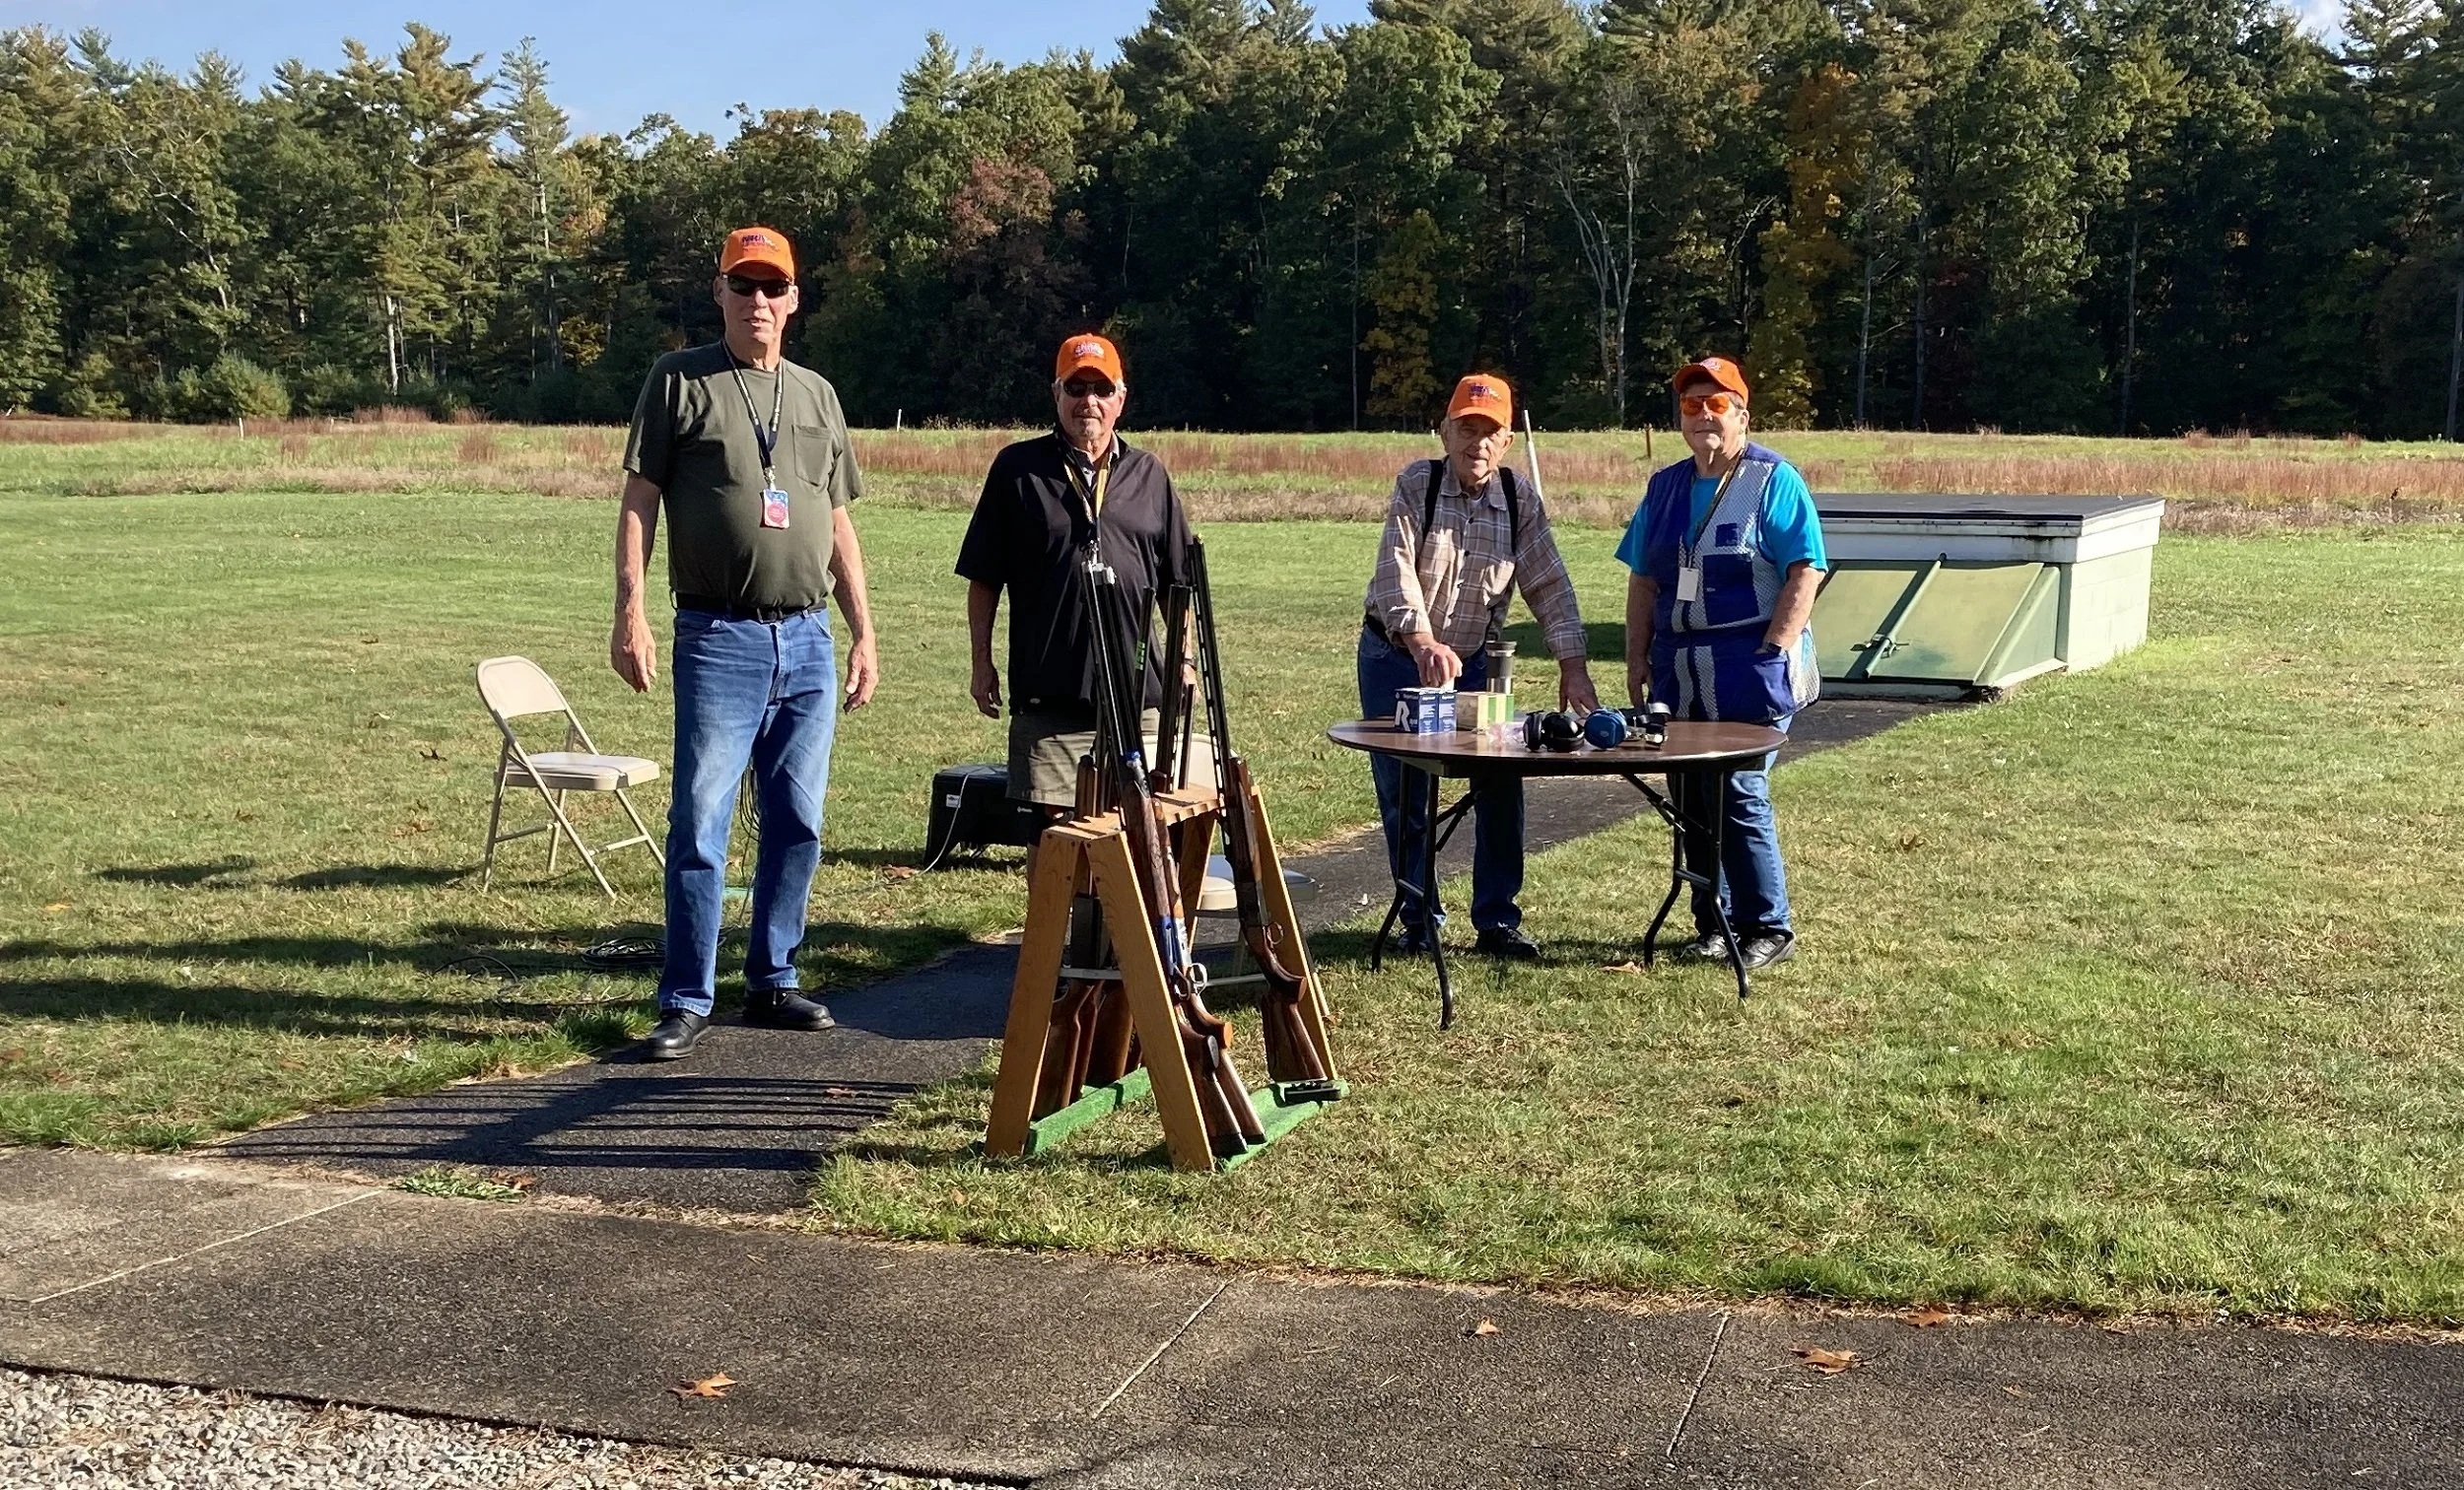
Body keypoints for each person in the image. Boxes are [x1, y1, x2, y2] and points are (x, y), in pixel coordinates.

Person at [610, 225, 881, 1061]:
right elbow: (638, 499)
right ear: (719, 294)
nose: (757, 301)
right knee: (700, 819)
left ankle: (774, 979)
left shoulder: (817, 395)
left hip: (805, 639)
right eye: (743, 286)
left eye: (773, 287)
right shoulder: (678, 381)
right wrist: (630, 611)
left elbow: (836, 520)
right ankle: (688, 997)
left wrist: (863, 630)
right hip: (716, 636)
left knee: (798, 820)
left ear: (794, 299)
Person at [1359, 372, 1597, 960]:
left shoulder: (1520, 501)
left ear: (1508, 440)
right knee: (1408, 788)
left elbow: (1550, 585)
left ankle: (1497, 919)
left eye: (1491, 431)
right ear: (1445, 430)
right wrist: (1420, 641)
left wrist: (1573, 665)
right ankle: (1420, 919)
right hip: (1395, 657)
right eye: (1468, 427)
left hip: (1472, 666)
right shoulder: (1420, 482)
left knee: (1502, 779)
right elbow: (1396, 568)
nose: (1478, 442)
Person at [1616, 356, 1825, 972]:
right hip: (1678, 662)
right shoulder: (1665, 487)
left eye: (1716, 404)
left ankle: (1767, 926)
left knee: (1739, 789)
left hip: (1747, 657)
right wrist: (1637, 657)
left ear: (1742, 414)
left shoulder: (1774, 479)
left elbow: (1805, 567)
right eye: (1690, 405)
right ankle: (1712, 922)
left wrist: (1776, 649)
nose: (1702, 415)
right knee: (1689, 796)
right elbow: (1644, 580)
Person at [957, 334, 1196, 820]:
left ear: (1120, 399)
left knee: (1142, 833)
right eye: (1076, 387)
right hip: (1051, 700)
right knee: (1054, 852)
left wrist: (1184, 662)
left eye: (1101, 389)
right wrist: (981, 664)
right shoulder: (1017, 469)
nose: (1089, 401)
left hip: (1139, 700)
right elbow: (984, 578)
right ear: (1056, 393)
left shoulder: (1150, 474)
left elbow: (1178, 586)